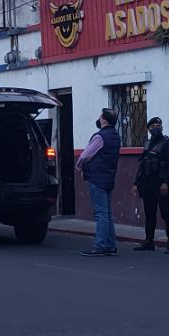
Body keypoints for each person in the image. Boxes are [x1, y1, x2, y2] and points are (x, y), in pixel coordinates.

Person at [75, 108, 121, 257]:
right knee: (107, 213)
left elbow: (85, 155)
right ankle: (110, 245)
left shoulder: (100, 137)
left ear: (104, 120)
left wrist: (79, 166)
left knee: (101, 213)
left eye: (100, 117)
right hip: (108, 177)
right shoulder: (115, 136)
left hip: (96, 178)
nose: (99, 119)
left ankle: (100, 245)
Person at [132, 117, 169, 254]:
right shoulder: (147, 144)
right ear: (149, 129)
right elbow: (142, 165)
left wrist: (166, 183)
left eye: (158, 125)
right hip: (147, 183)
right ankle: (149, 241)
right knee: (149, 213)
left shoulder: (168, 143)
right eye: (153, 126)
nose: (156, 128)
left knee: (167, 213)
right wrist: (136, 183)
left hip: (161, 183)